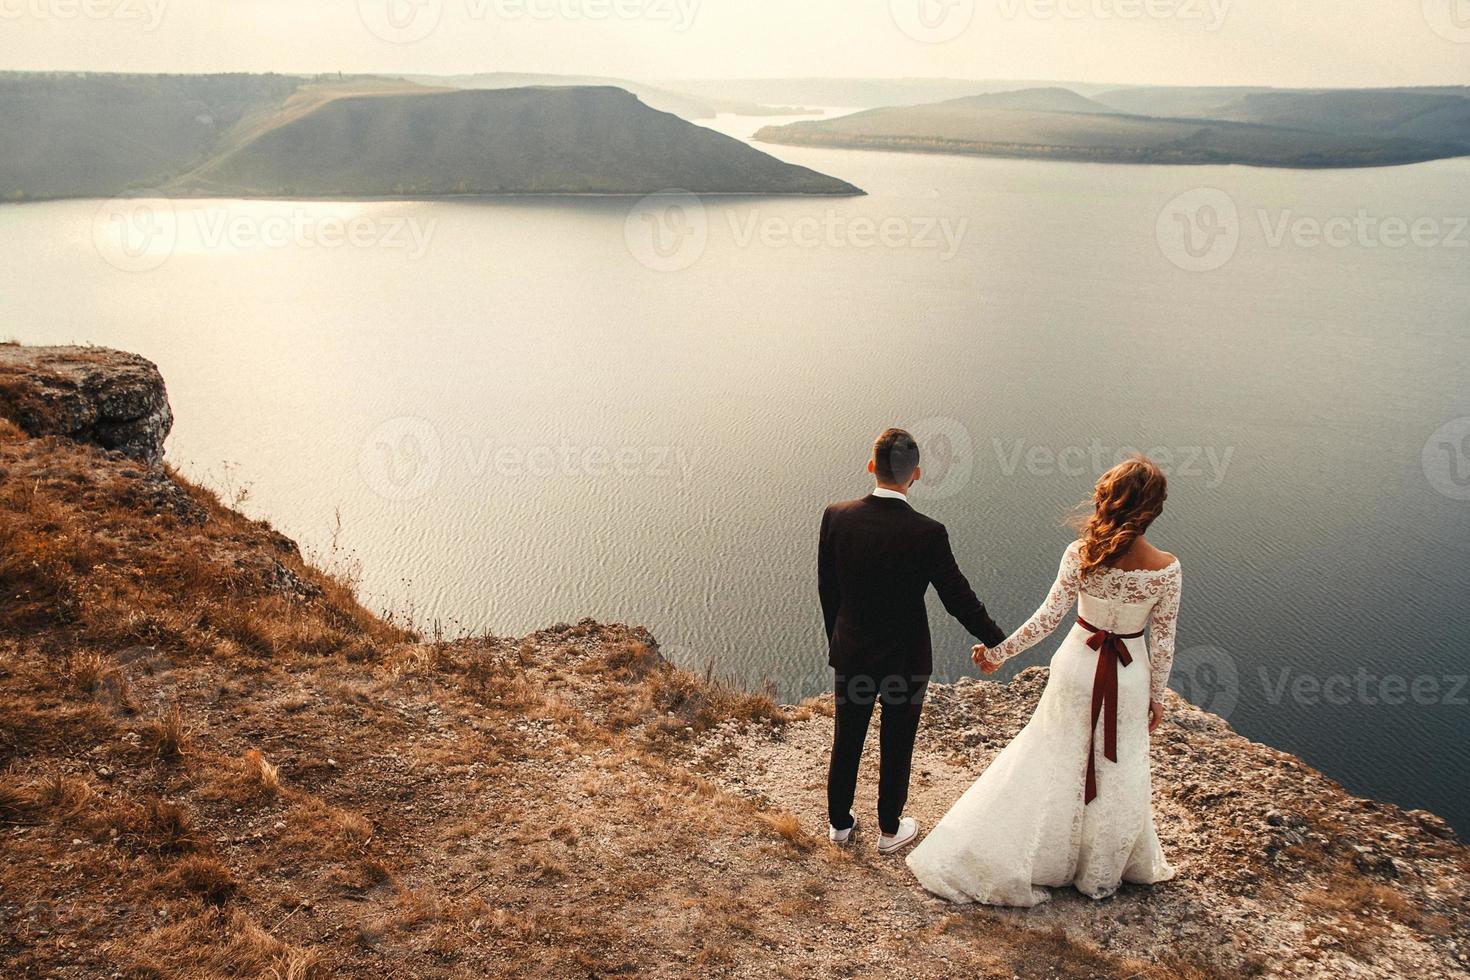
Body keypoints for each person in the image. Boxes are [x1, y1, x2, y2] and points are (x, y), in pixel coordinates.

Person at [906, 455, 1181, 905]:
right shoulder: (1167, 569)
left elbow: (1046, 620)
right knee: (1118, 767)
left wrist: (998, 653)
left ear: (1108, 500)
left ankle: (1046, 855)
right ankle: (1098, 869)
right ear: (1154, 508)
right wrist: (1155, 698)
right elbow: (1164, 643)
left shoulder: (1082, 554)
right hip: (1129, 673)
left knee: (1055, 757)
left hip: (1077, 666)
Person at [819, 427, 1007, 855]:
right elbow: (958, 598)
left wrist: (839, 640)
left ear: (871, 467)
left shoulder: (836, 515)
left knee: (847, 736)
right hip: (905, 659)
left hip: (853, 651)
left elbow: (827, 589)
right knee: (897, 741)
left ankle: (839, 824)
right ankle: (890, 829)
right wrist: (999, 643)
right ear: (916, 475)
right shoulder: (927, 532)